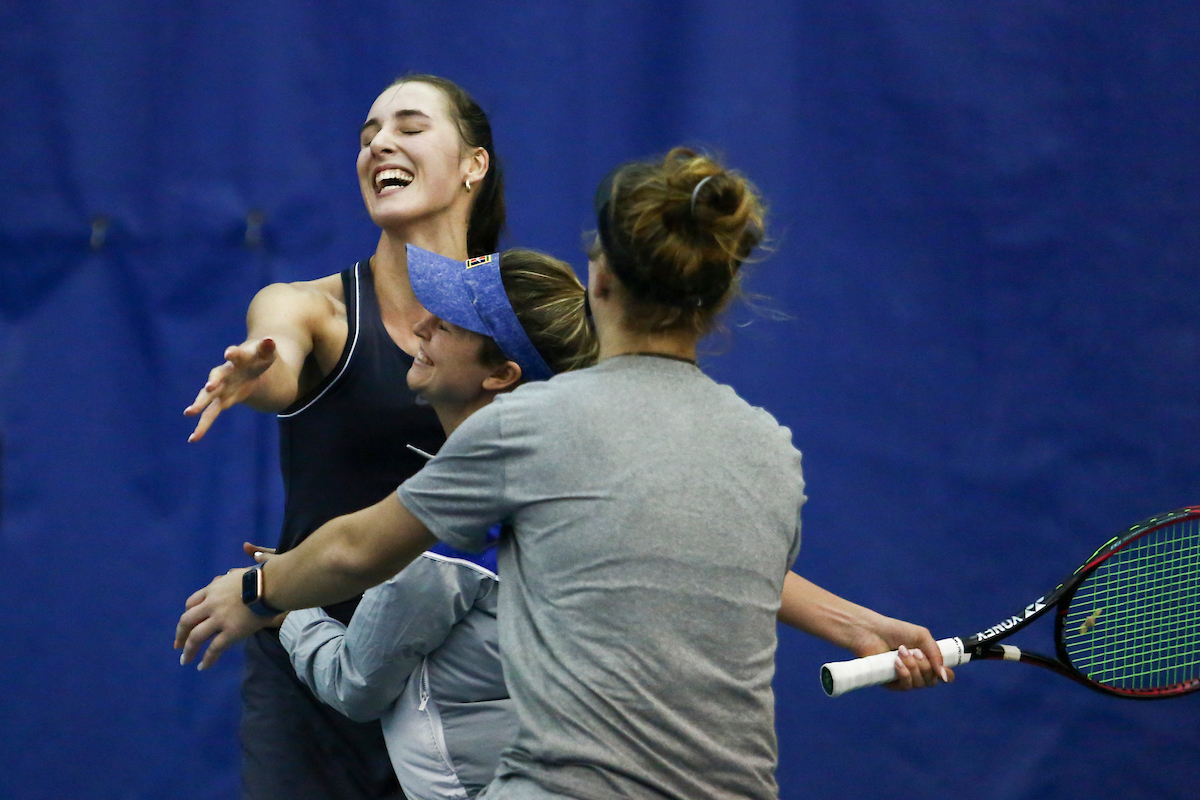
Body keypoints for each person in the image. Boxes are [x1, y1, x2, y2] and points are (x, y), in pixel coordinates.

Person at [178, 147, 952, 800]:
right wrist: (857, 625)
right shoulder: (768, 450)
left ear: (602, 281)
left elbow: (354, 551)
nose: (424, 329)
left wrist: (258, 592)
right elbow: (724, 564)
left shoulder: (528, 427)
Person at [183, 74, 504, 800]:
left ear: (473, 164)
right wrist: (254, 371)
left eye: (410, 126)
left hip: (461, 681)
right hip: (309, 661)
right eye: (367, 136)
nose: (381, 143)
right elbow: (275, 361)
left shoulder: (526, 318)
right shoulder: (309, 307)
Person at [278, 245, 597, 800]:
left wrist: (284, 604)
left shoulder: (452, 524)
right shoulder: (567, 480)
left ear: (500, 374)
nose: (420, 324)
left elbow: (356, 683)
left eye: (448, 324)